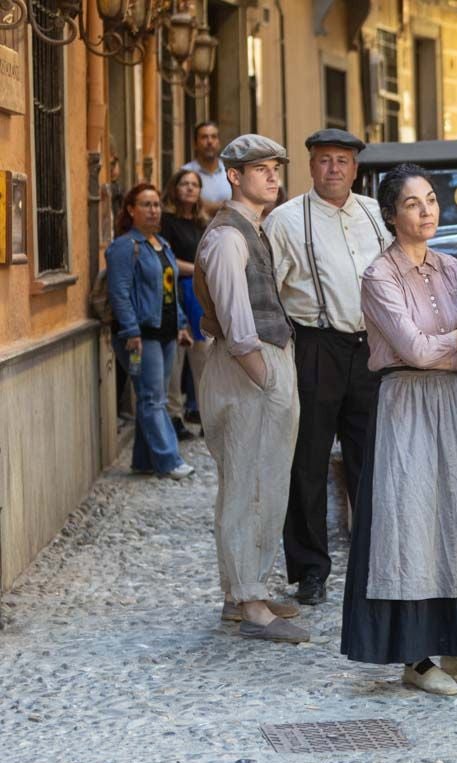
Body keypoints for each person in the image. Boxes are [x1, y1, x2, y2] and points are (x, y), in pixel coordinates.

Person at [340, 163, 457, 697]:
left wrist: (456, 341)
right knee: (413, 519)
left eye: (432, 200)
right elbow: (413, 350)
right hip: (407, 401)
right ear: (391, 215)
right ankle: (416, 658)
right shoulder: (379, 275)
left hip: (451, 404)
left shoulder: (452, 268)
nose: (427, 210)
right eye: (413, 203)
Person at [264, 129, 391, 606]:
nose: (333, 168)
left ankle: (375, 559)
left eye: (342, 160)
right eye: (324, 160)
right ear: (310, 166)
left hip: (370, 349)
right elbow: (269, 294)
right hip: (315, 346)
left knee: (372, 459)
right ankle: (310, 570)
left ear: (356, 169)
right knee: (308, 463)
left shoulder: (378, 215)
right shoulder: (284, 221)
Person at [193, 134, 306, 643]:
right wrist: (267, 378)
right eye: (260, 169)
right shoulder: (227, 237)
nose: (272, 176)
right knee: (249, 485)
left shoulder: (250, 229)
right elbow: (238, 328)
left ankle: (245, 592)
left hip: (260, 365)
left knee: (263, 481)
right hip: (248, 371)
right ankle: (249, 601)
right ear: (234, 176)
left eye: (275, 168)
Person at [105, 183, 195, 480]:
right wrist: (130, 330)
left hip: (166, 332)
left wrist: (182, 324)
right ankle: (169, 460)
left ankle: (143, 460)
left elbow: (170, 292)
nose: (153, 210)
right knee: (153, 398)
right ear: (131, 210)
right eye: (146, 204)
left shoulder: (162, 245)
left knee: (150, 396)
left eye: (156, 204)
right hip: (140, 334)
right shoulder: (124, 247)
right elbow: (119, 292)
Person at [160, 167, 212, 438]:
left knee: (203, 359)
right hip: (174, 293)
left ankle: (207, 415)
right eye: (185, 184)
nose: (190, 188)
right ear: (175, 188)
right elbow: (166, 258)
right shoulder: (165, 222)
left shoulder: (203, 223)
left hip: (200, 296)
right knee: (176, 360)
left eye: (195, 184)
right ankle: (174, 416)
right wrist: (196, 269)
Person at [183, 121, 233, 214]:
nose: (209, 141)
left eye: (214, 137)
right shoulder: (185, 173)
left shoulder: (231, 172)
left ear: (219, 143)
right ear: (195, 144)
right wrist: (224, 207)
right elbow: (187, 207)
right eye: (204, 137)